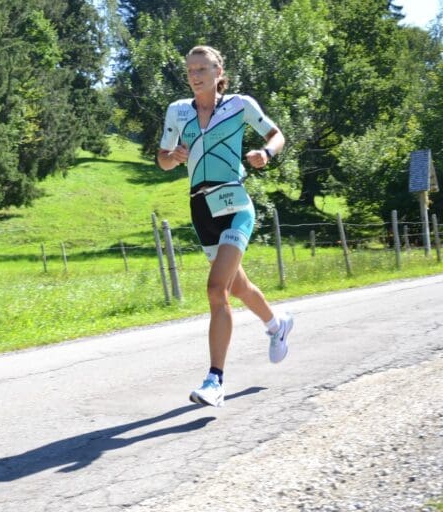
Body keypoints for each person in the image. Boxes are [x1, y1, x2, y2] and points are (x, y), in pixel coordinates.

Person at [156, 45, 293, 407]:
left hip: (234, 203)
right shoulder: (178, 111)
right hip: (200, 209)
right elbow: (163, 161)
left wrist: (267, 153)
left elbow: (276, 135)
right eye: (190, 70)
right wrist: (174, 156)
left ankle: (215, 380)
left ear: (219, 73)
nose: (196, 75)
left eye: (203, 68)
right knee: (237, 287)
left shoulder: (239, 104)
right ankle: (277, 325)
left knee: (217, 288)